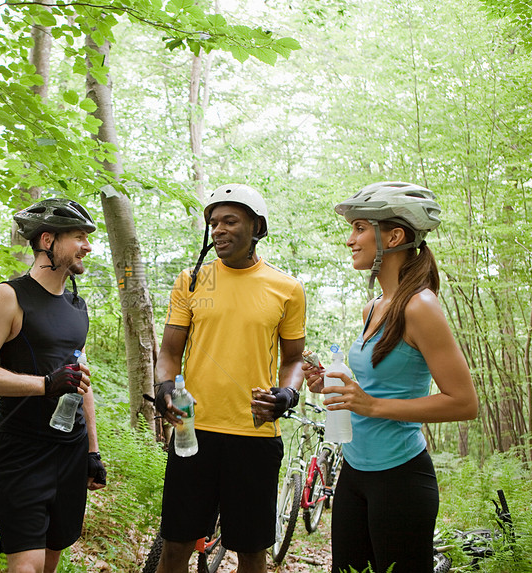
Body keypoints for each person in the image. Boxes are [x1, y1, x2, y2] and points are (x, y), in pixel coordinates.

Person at [304, 181, 478, 573]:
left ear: (394, 235)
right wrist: (331, 382)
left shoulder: (421, 306)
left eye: (360, 228)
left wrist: (371, 405)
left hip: (399, 479)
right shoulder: (373, 307)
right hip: (354, 473)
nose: (350, 239)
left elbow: (464, 402)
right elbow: (379, 382)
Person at [154, 184, 307, 573]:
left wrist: (287, 395)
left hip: (254, 436)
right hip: (193, 432)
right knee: (176, 547)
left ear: (257, 227)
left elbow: (294, 359)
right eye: (213, 223)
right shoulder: (192, 280)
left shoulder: (286, 288)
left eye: (230, 221)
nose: (218, 229)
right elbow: (170, 352)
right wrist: (164, 388)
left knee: (252, 553)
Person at [0, 197, 107, 573]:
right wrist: (45, 384)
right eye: (78, 237)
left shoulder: (78, 307)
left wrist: (92, 450)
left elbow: (81, 381)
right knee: (26, 565)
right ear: (47, 241)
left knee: (49, 563)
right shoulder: (9, 296)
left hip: (70, 453)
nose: (88, 246)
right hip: (21, 452)